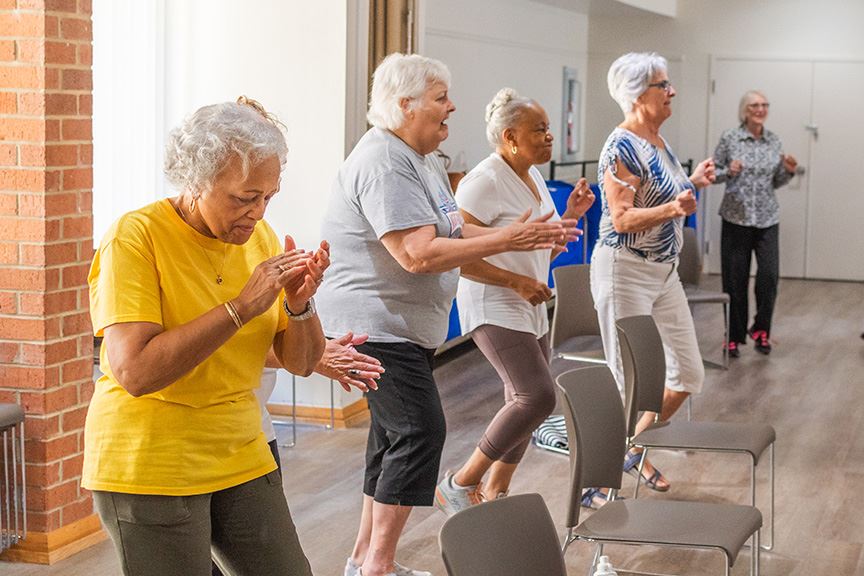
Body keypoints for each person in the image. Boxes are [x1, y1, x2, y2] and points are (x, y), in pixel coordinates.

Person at [316, 53, 578, 576]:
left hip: (400, 326)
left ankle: (363, 561)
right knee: (419, 432)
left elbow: (453, 230)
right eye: (440, 98)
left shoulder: (419, 159)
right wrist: (510, 236)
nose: (451, 106)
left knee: (391, 439)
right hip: (374, 326)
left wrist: (528, 233)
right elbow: (415, 253)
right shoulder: (383, 162)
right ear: (405, 104)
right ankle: (379, 567)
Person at [86, 97, 332, 576]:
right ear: (196, 181)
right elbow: (135, 371)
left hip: (237, 447)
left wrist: (300, 306)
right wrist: (240, 309)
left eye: (269, 197)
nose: (259, 212)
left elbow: (301, 362)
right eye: (245, 198)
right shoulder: (135, 238)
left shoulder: (259, 239)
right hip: (149, 457)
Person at [433, 88, 594, 515]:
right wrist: (515, 282)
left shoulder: (532, 175)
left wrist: (571, 217)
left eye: (548, 129)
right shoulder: (484, 181)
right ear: (510, 137)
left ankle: (494, 493)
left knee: (523, 403)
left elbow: (536, 245)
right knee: (536, 397)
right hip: (493, 301)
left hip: (528, 302)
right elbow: (456, 256)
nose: (549, 137)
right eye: (539, 130)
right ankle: (460, 482)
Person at [589, 52, 716, 503]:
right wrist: (673, 208)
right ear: (640, 95)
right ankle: (595, 482)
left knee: (688, 374)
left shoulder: (657, 142)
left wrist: (695, 182)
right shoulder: (620, 146)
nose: (672, 91)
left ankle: (629, 450)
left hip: (664, 273)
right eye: (665, 85)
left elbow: (667, 195)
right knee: (629, 383)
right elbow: (621, 219)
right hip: (625, 270)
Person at [714, 90, 797, 356]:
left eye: (764, 105)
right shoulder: (730, 137)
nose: (760, 109)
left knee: (769, 277)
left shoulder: (774, 141)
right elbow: (712, 173)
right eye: (754, 105)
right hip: (736, 217)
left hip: (767, 218)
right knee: (735, 280)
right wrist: (729, 171)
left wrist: (789, 172)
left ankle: (761, 330)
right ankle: (734, 336)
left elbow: (776, 182)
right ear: (745, 110)